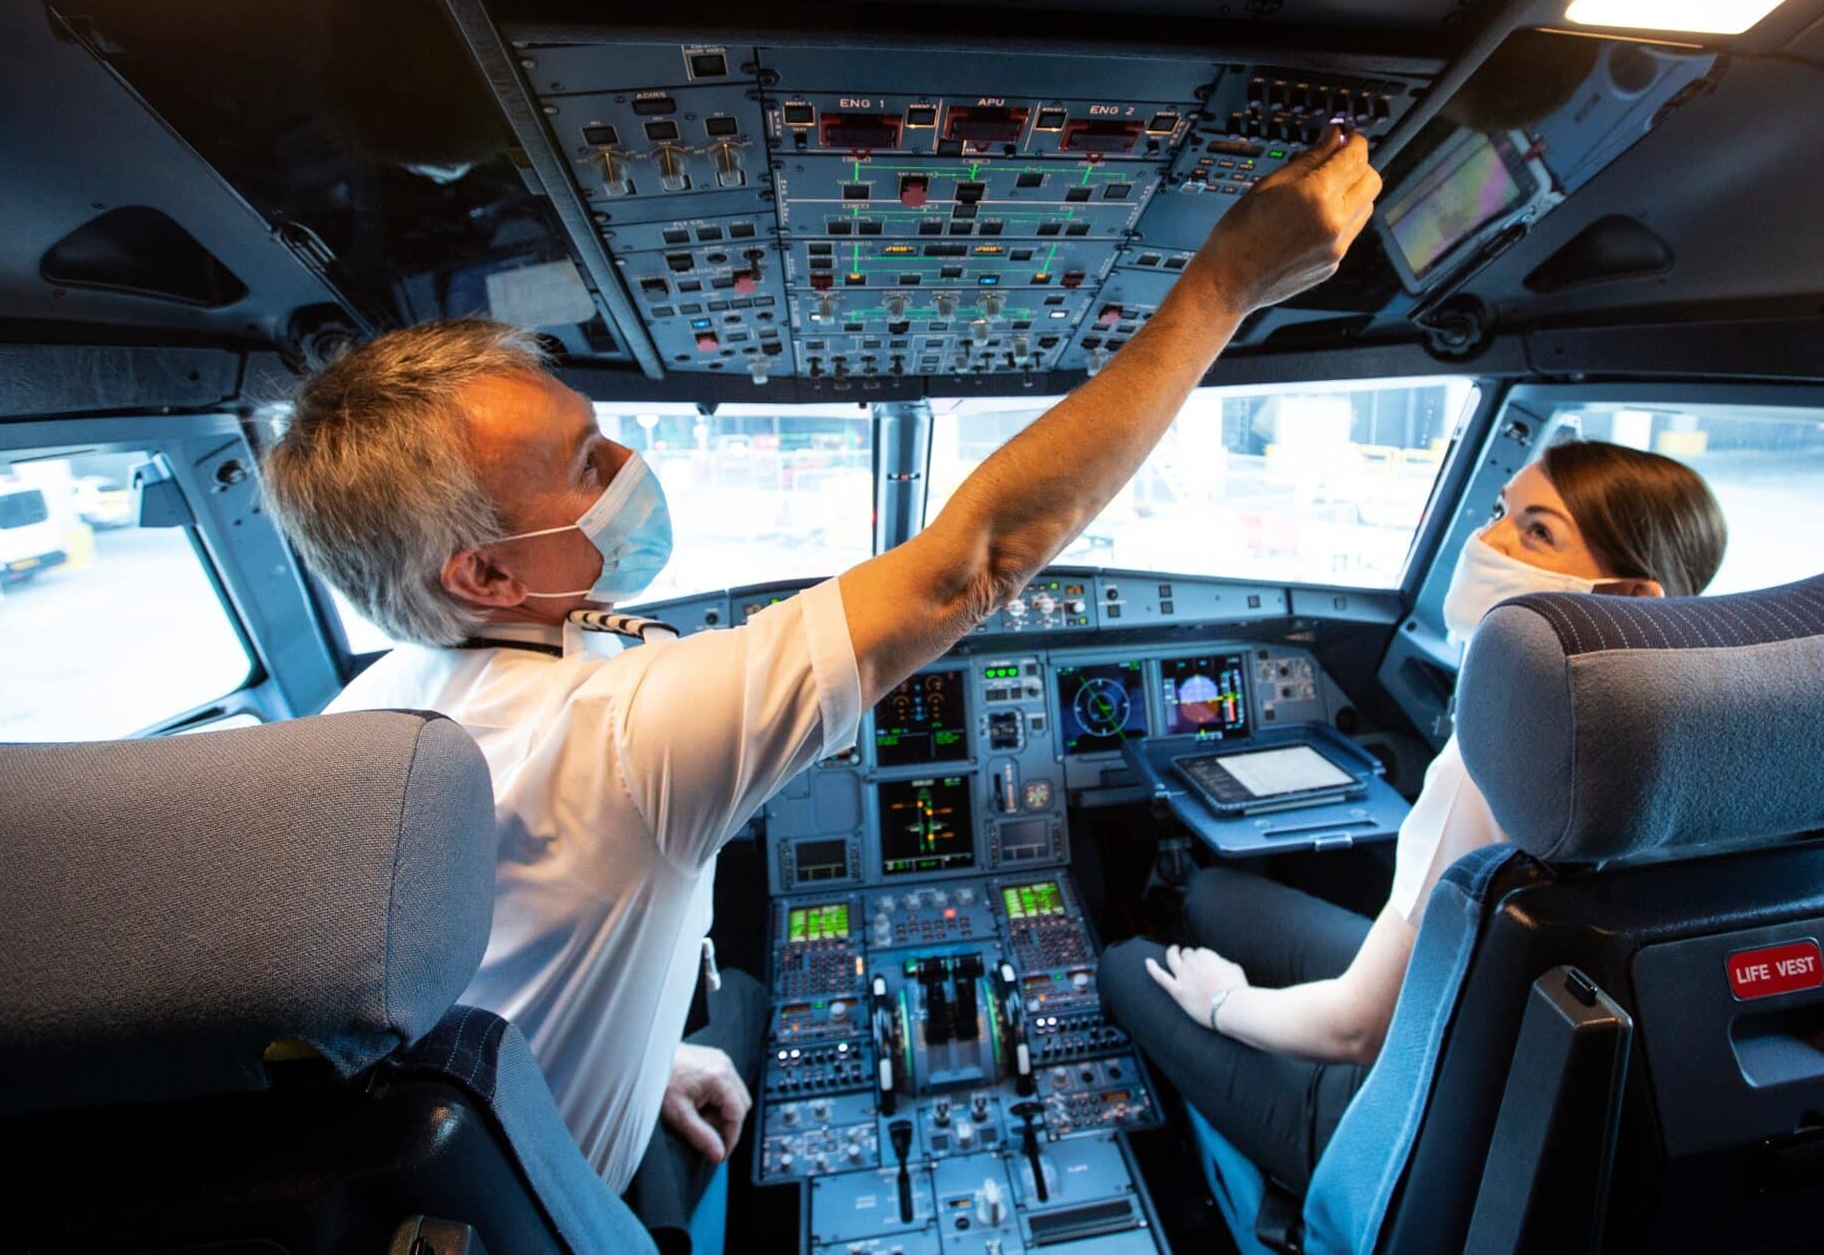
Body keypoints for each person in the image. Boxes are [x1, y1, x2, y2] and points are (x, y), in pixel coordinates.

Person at [260, 131, 1381, 1248]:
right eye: (583, 461)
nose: (623, 467)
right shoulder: (618, 733)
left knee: (731, 1008)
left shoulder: (361, 723)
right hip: (552, 1215)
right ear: (486, 574)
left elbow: (484, 985)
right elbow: (974, 562)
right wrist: (1225, 280)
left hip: (497, 1177)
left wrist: (643, 1056)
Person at [1098, 439, 1727, 1197]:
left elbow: (1356, 1030)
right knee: (1211, 895)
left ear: (1630, 594)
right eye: (1500, 512)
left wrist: (1225, 1001)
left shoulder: (1500, 750)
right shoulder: (1710, 732)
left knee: (1126, 965)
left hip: (1406, 1119)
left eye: (1537, 531)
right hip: (1505, 1046)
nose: (1486, 541)